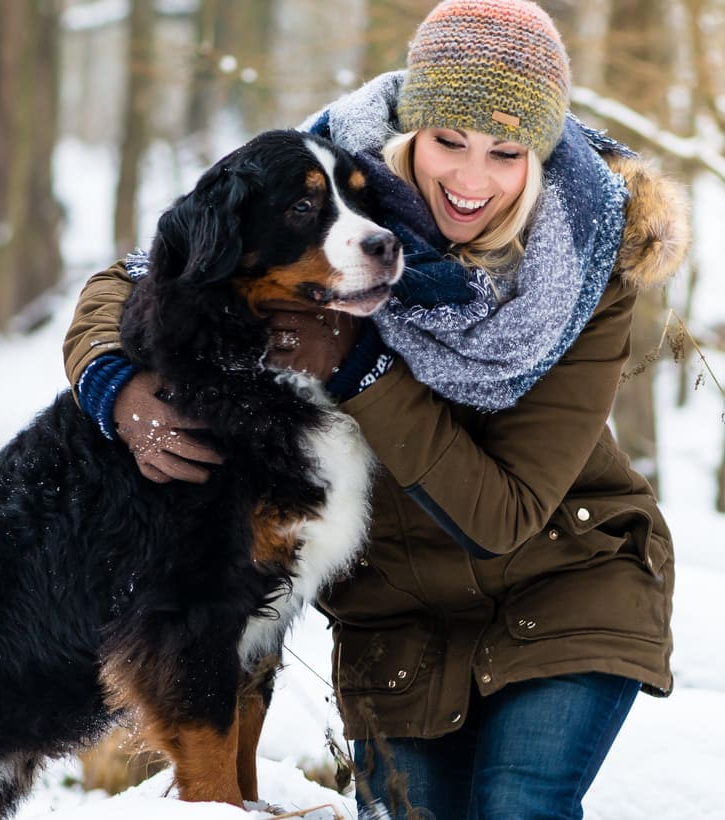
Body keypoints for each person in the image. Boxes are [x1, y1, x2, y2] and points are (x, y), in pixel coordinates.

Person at [62, 1, 691, 817]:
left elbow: (504, 514)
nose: (470, 180)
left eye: (506, 153)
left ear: (537, 159)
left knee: (517, 806)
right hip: (397, 625)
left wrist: (361, 367)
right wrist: (115, 384)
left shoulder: (580, 270)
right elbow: (148, 271)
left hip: (563, 584)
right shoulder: (335, 193)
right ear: (411, 130)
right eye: (449, 142)